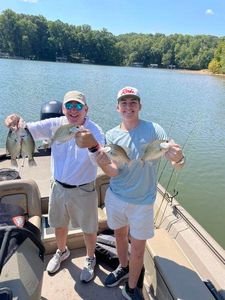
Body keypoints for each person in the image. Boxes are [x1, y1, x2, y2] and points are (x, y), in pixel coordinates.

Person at [78, 86, 185, 299]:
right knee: (119, 234)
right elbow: (114, 172)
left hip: (143, 203)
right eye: (124, 103)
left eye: (133, 102)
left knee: (137, 248)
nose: (129, 107)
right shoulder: (111, 135)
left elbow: (177, 163)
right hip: (116, 197)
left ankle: (132, 287)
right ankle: (123, 268)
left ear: (140, 106)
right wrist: (102, 165)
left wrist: (179, 158)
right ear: (117, 108)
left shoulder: (155, 130)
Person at [4, 90, 105, 283]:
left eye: (78, 106)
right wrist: (15, 122)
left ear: (86, 109)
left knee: (89, 229)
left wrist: (92, 144)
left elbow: (100, 161)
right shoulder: (55, 124)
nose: (73, 110)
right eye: (69, 106)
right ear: (62, 109)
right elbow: (27, 130)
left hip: (84, 189)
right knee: (58, 224)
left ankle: (90, 258)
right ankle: (61, 251)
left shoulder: (96, 130)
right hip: (58, 187)